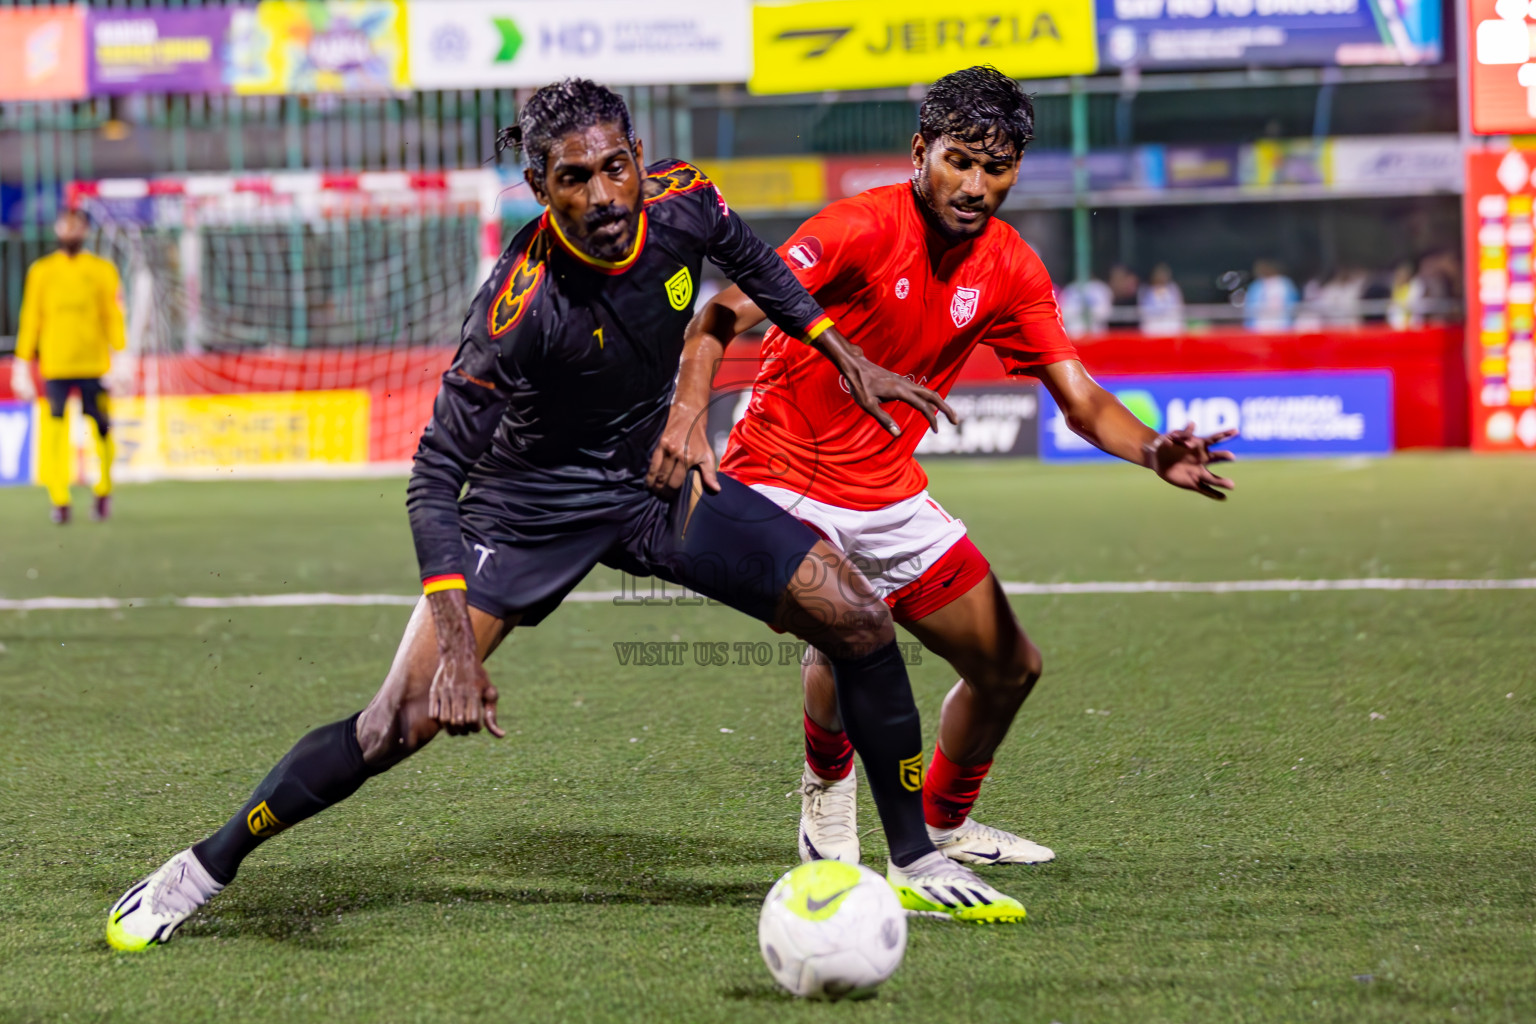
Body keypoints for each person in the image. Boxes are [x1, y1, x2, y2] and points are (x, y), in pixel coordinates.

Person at [104, 79, 1031, 953]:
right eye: (573, 178)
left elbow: (751, 263)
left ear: (640, 155)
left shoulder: (683, 202)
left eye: (614, 166)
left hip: (649, 484)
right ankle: (200, 870)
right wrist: (459, 646)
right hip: (527, 507)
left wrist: (839, 351)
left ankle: (913, 857)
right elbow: (433, 479)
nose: (602, 195)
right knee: (398, 723)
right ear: (540, 188)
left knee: (858, 616)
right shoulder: (515, 307)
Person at [684, 66, 1238, 868]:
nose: (977, 185)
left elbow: (1080, 401)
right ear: (920, 152)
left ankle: (945, 823)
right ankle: (826, 797)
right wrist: (685, 426)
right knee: (848, 626)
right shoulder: (858, 226)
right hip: (780, 474)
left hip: (886, 488)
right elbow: (719, 316)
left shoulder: (1011, 267)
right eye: (959, 160)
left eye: (998, 167)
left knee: (1009, 668)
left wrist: (1154, 450)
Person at [10, 208, 125, 523]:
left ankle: (103, 490)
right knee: (55, 434)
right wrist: (22, 362)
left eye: (76, 227)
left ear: (85, 231)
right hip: (55, 367)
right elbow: (31, 317)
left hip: (95, 365)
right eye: (65, 226)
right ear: (57, 230)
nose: (70, 232)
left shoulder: (102, 270)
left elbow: (112, 316)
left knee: (102, 430)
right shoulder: (42, 271)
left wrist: (121, 356)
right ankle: (59, 498)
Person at [1243, 259, 1298, 332]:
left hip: (1282, 325)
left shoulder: (1285, 284)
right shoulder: (1257, 285)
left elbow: (1293, 305)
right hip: (1261, 326)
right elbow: (1250, 309)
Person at [1137, 262, 1185, 337]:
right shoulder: (1145, 290)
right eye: (1159, 274)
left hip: (1171, 325)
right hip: (1152, 325)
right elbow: (1143, 310)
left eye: (1164, 274)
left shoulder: (1173, 288)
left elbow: (1179, 308)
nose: (1161, 277)